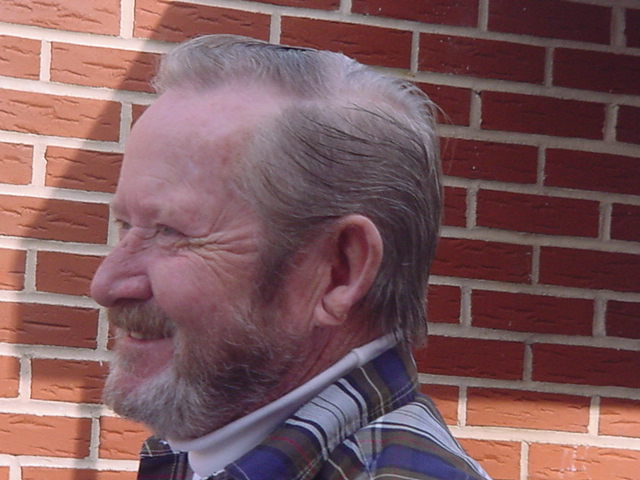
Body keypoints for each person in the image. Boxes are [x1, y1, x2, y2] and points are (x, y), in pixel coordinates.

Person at [90, 34, 492, 480]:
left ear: (338, 272)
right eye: (125, 225)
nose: (105, 284)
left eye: (172, 233)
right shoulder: (208, 452)